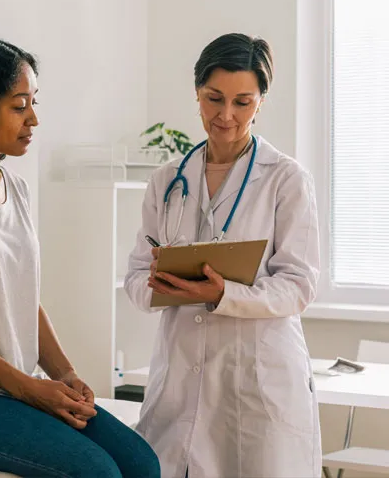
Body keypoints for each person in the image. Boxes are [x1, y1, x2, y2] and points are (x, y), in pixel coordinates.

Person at [0, 36, 160, 478]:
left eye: (33, 103)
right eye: (19, 105)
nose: (34, 118)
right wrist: (28, 390)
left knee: (142, 463)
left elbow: (25, 299)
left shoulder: (14, 187)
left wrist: (63, 374)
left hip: (4, 390)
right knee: (96, 472)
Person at [125, 33, 321, 478]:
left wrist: (223, 294)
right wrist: (156, 285)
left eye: (243, 102)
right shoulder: (167, 180)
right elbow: (137, 275)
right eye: (214, 98)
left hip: (257, 378)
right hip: (180, 378)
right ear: (197, 92)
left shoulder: (286, 179)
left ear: (261, 102)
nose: (225, 115)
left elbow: (299, 284)